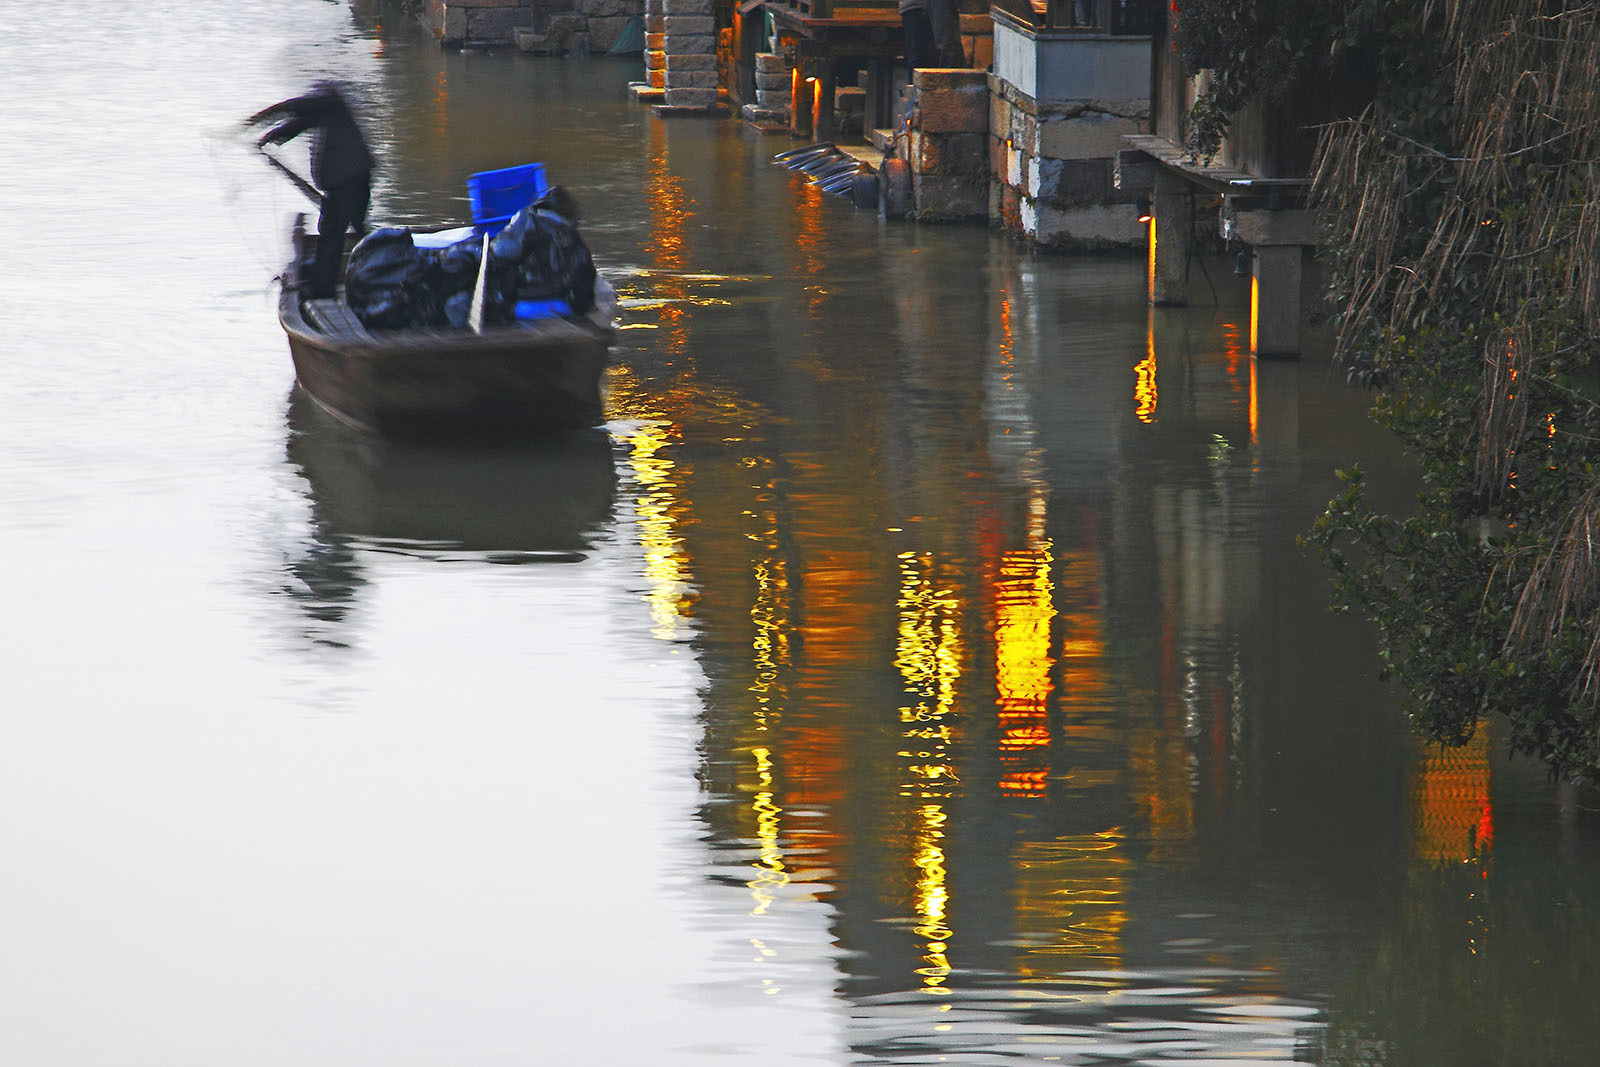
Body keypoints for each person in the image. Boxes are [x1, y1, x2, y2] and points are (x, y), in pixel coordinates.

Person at [245, 81, 375, 299]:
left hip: (352, 182)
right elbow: (299, 123)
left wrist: (253, 122)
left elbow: (291, 108)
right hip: (341, 185)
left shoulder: (329, 103)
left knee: (338, 235)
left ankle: (351, 285)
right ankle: (332, 287)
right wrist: (270, 139)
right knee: (341, 234)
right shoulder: (328, 111)